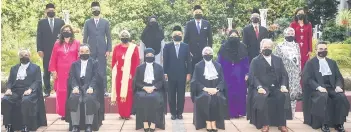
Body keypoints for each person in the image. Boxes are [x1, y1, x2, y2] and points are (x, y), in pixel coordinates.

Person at [302, 41, 350, 132]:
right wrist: (318, 87)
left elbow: (338, 77)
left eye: (325, 49)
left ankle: (339, 123)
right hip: (317, 89)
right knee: (323, 97)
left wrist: (338, 86)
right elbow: (308, 79)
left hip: (331, 87)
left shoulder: (332, 62)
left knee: (341, 97)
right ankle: (324, 124)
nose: (323, 51)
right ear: (316, 51)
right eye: (320, 49)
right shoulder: (310, 63)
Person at [248, 39, 291, 132]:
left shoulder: (278, 60)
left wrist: (283, 86)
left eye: (269, 47)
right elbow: (253, 76)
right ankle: (265, 124)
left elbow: (284, 74)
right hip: (262, 88)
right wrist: (259, 87)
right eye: (265, 47)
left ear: (272, 48)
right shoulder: (255, 61)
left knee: (283, 96)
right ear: (261, 48)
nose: (267, 49)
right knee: (262, 98)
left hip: (276, 87)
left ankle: (282, 124)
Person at [2, 49, 47, 132]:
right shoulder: (14, 68)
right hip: (15, 91)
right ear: (19, 57)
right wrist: (8, 89)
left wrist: (30, 89)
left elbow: (37, 81)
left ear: (29, 56)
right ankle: (8, 124)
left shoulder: (35, 68)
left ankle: (26, 125)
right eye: (22, 55)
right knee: (5, 99)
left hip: (29, 91)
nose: (24, 57)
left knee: (26, 101)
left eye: (26, 55)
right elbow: (10, 81)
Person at [65, 45, 104, 132]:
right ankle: (75, 125)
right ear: (79, 53)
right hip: (78, 86)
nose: (84, 53)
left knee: (89, 99)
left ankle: (89, 125)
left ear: (90, 52)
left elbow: (95, 76)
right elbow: (72, 77)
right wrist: (75, 87)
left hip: (89, 86)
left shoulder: (94, 63)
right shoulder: (74, 64)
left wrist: (91, 87)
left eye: (86, 51)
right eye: (82, 51)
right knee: (74, 98)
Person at [190, 47, 227, 132]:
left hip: (216, 90)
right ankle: (207, 122)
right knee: (206, 98)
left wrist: (216, 89)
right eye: (206, 53)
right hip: (203, 90)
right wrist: (206, 89)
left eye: (210, 53)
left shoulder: (218, 65)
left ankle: (213, 122)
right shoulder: (198, 66)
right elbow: (195, 81)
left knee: (217, 98)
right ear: (203, 55)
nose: (208, 55)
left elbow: (222, 80)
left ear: (212, 54)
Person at [49, 25, 80, 119]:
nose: (67, 32)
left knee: (72, 91)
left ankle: (72, 112)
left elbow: (79, 57)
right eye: (65, 30)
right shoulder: (57, 43)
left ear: (72, 32)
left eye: (68, 30)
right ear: (61, 33)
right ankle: (63, 113)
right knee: (62, 92)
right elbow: (53, 57)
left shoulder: (76, 43)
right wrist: (53, 71)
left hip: (73, 72)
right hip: (60, 72)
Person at [217, 30, 249, 118]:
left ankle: (239, 112)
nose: (234, 37)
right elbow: (219, 62)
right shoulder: (224, 47)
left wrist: (247, 73)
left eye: (235, 36)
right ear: (228, 37)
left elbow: (246, 61)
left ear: (238, 37)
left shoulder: (243, 47)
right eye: (232, 36)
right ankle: (229, 113)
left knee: (239, 92)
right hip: (226, 72)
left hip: (240, 74)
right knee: (228, 92)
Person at [133, 48, 167, 132]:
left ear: (154, 56)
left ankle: (153, 122)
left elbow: (161, 81)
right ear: (144, 56)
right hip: (143, 89)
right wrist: (144, 87)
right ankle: (144, 122)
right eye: (147, 55)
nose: (149, 57)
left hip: (155, 89)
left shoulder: (159, 67)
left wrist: (153, 87)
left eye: (151, 55)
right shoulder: (139, 68)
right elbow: (136, 81)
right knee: (142, 98)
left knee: (154, 98)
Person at [83, 1, 112, 95]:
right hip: (90, 51)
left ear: (100, 10)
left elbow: (109, 37)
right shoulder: (87, 22)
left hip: (102, 50)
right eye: (94, 9)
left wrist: (108, 50)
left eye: (97, 9)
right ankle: (90, 88)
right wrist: (84, 50)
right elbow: (85, 38)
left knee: (102, 70)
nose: (96, 10)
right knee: (90, 69)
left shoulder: (105, 22)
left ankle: (104, 90)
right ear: (91, 10)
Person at [163, 26, 192, 120]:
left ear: (182, 36)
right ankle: (173, 113)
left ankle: (180, 113)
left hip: (182, 74)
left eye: (179, 34)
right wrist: (165, 73)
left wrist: (188, 73)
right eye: (175, 34)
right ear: (172, 36)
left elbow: (188, 61)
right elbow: (165, 61)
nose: (177, 36)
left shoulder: (186, 46)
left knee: (181, 94)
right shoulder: (167, 46)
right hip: (171, 74)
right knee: (171, 94)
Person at [36, 3, 65, 97]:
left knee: (60, 69)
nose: (51, 12)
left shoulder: (60, 22)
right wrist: (39, 49)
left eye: (53, 11)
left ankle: (59, 88)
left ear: (55, 11)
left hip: (59, 50)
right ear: (46, 12)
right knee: (46, 70)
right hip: (46, 50)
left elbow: (64, 36)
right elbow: (39, 36)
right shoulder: (41, 22)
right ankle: (47, 90)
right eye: (49, 11)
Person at [273, 27, 302, 117]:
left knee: (293, 93)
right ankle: (282, 113)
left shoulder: (296, 45)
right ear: (284, 35)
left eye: (292, 34)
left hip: (295, 73)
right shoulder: (280, 45)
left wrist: (299, 70)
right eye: (288, 34)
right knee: (284, 92)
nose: (290, 35)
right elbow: (276, 60)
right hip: (284, 72)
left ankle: (291, 114)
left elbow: (299, 58)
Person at [111, 30, 140, 119]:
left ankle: (127, 113)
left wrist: (133, 74)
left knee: (128, 93)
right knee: (119, 92)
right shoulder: (116, 47)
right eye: (122, 37)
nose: (124, 38)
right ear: (120, 38)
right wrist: (114, 72)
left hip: (129, 74)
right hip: (119, 74)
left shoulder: (133, 47)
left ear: (128, 38)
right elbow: (113, 61)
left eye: (126, 37)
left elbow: (136, 62)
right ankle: (121, 113)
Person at [184, 5, 213, 72]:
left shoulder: (207, 23)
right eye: (196, 12)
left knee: (204, 70)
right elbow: (185, 39)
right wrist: (188, 51)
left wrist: (209, 50)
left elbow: (210, 38)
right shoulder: (189, 24)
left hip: (204, 52)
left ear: (202, 13)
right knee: (193, 70)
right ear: (193, 13)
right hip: (192, 52)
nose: (198, 13)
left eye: (200, 12)